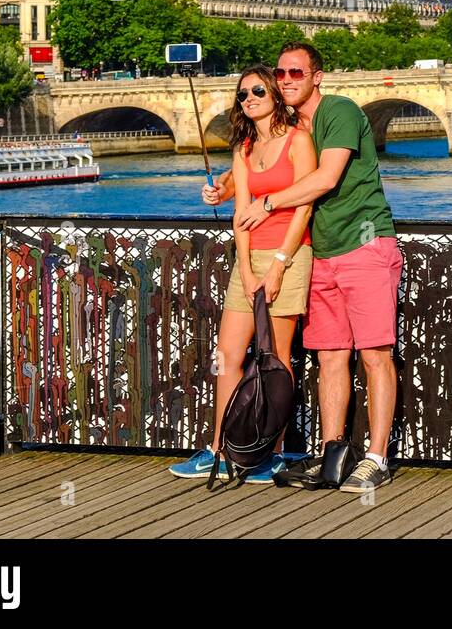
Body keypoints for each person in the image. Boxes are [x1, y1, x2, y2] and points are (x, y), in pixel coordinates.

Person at [203, 42, 402, 494]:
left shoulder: (340, 112)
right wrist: (228, 189)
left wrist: (265, 204)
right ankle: (332, 454)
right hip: (320, 254)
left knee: (374, 355)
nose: (288, 79)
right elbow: (265, 164)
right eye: (282, 72)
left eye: (297, 72)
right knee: (330, 357)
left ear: (317, 76)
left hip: (364, 245)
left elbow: (325, 179)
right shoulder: (293, 125)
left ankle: (376, 457)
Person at [171, 65, 315, 483]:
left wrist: (278, 264)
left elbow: (303, 206)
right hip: (249, 259)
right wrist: (248, 269)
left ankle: (268, 454)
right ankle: (218, 449)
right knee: (228, 356)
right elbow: (239, 212)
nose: (248, 98)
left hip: (289, 254)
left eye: (256, 91)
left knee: (276, 360)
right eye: (241, 95)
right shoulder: (245, 147)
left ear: (273, 94)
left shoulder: (298, 140)